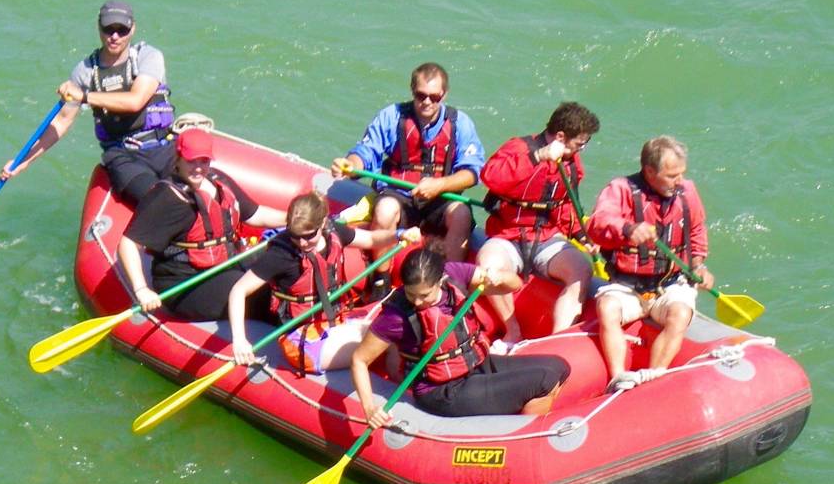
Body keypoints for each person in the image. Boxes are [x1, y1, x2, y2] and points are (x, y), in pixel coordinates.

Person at [350, 247, 571, 426]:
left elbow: (514, 285)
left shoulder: (454, 274)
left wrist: (499, 276)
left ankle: (513, 414)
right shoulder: (396, 316)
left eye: (424, 295)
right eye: (411, 294)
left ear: (439, 281)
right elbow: (360, 359)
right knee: (544, 380)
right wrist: (369, 407)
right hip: (442, 392)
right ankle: (524, 439)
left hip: (474, 365)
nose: (417, 302)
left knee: (559, 367)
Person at [0, 0, 176, 205]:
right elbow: (61, 122)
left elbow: (136, 101)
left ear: (133, 28)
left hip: (163, 146)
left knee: (196, 196)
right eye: (108, 29)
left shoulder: (147, 57)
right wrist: (23, 161)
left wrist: (84, 96)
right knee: (161, 202)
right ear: (99, 27)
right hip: (123, 156)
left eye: (122, 30)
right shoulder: (85, 72)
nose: (114, 36)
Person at [223, 193, 418, 373]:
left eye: (308, 236)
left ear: (323, 223)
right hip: (302, 342)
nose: (302, 242)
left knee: (393, 327)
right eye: (295, 235)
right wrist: (239, 340)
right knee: (387, 335)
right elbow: (238, 290)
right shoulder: (281, 255)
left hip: (331, 323)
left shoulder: (333, 233)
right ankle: (395, 392)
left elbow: (371, 238)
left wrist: (399, 234)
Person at [117, 127, 286, 322]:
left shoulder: (217, 181)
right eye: (191, 161)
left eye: (203, 161)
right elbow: (129, 243)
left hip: (223, 265)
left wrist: (296, 220)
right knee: (264, 294)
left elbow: (256, 214)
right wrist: (141, 289)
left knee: (284, 272)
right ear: (178, 158)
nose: (198, 168)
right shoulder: (166, 198)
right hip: (186, 285)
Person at [588, 135, 714, 391]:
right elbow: (598, 222)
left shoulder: (687, 192)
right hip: (627, 287)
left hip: (669, 285)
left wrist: (699, 266)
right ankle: (618, 378)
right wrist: (627, 228)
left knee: (679, 314)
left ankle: (653, 377)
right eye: (671, 176)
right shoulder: (620, 190)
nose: (679, 181)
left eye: (681, 173)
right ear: (649, 171)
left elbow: (697, 232)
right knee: (608, 309)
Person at [329, 63, 484, 261]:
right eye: (421, 95)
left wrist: (439, 185)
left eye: (434, 97)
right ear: (412, 90)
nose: (427, 102)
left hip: (441, 199)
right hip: (398, 195)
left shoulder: (460, 123)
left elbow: (472, 172)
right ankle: (380, 280)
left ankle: (450, 283)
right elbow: (366, 152)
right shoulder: (391, 116)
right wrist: (351, 165)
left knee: (462, 214)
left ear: (444, 95)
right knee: (385, 210)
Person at [477, 101, 601, 340]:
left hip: (546, 238)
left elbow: (566, 206)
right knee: (488, 266)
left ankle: (556, 340)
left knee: (581, 269)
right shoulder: (518, 148)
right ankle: (512, 330)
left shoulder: (572, 164)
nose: (581, 150)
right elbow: (490, 176)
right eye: (579, 144)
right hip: (508, 235)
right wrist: (537, 157)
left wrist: (581, 235)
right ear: (561, 137)